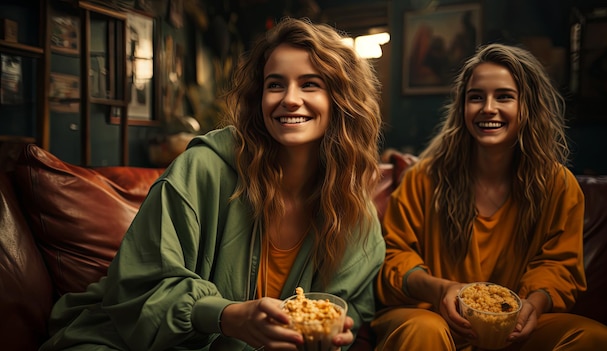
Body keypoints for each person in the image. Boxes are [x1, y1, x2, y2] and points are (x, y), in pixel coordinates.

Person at [41, 17, 385, 351]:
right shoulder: (202, 168)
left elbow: (349, 305)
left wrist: (329, 336)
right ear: (259, 97)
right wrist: (226, 316)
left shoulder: (353, 210)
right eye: (275, 84)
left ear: (342, 101)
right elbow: (136, 287)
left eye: (310, 84)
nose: (290, 99)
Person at [372, 43, 607, 350]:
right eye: (476, 97)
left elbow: (559, 266)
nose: (487, 108)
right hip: (435, 318)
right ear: (462, 107)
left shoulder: (558, 184)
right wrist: (441, 291)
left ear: (527, 106)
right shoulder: (424, 179)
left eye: (504, 96)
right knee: (424, 330)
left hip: (514, 327)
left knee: (598, 339)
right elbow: (394, 258)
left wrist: (534, 304)